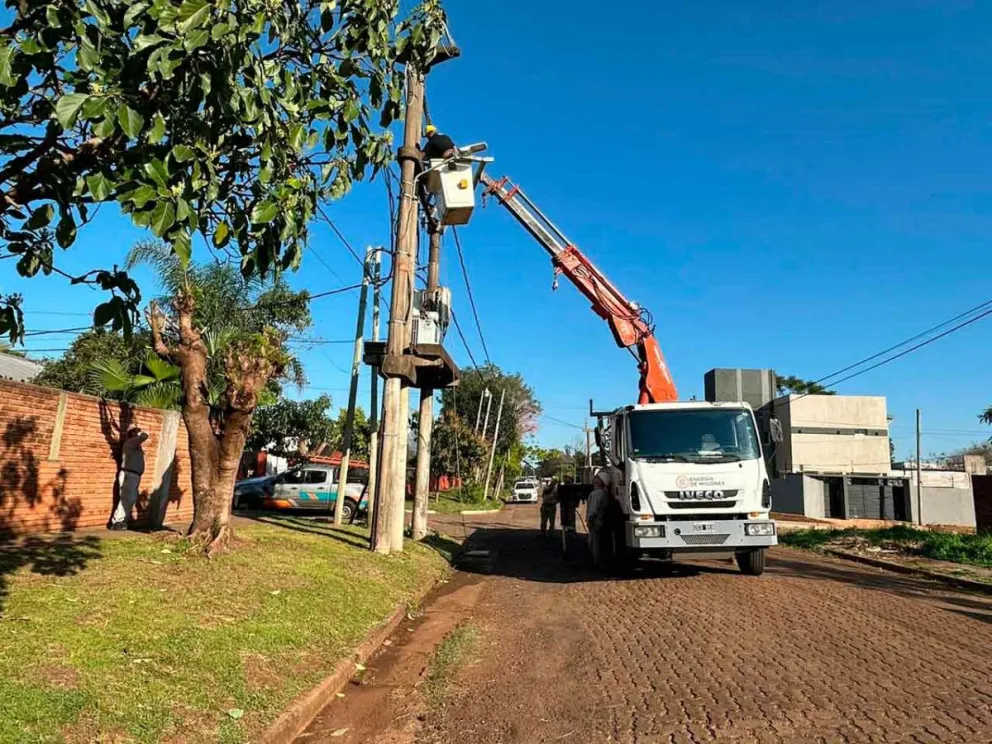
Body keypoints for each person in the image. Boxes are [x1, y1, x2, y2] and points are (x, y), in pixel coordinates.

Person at [110, 427, 149, 531]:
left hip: (134, 476)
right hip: (128, 474)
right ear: (134, 435)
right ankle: (117, 522)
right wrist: (142, 433)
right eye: (137, 433)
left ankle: (123, 522)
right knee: (125, 499)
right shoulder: (130, 443)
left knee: (130, 500)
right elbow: (144, 436)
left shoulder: (136, 447)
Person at [586, 471, 612, 569]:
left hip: (596, 523)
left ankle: (596, 563)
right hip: (600, 522)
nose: (594, 479)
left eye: (596, 477)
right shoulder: (603, 493)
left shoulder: (596, 494)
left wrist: (589, 520)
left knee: (594, 543)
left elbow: (593, 510)